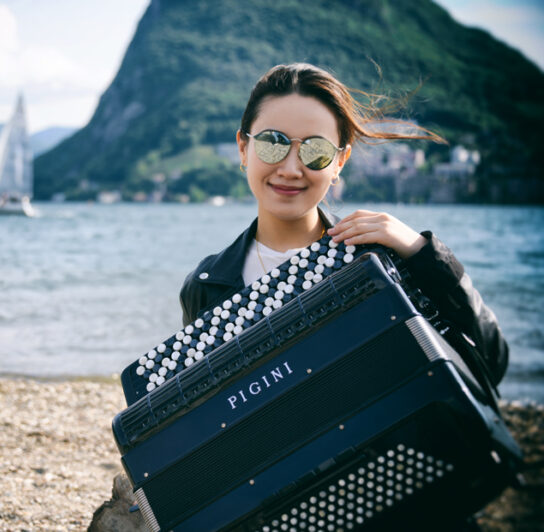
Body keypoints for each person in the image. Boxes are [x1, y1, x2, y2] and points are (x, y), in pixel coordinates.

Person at [179, 63, 508, 530]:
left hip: (414, 497)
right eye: (273, 142)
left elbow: (491, 360)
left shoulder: (385, 255)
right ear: (243, 147)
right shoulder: (208, 285)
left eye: (314, 151)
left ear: (339, 162)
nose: (291, 168)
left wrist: (421, 252)